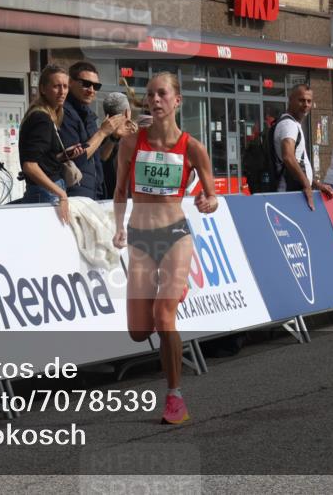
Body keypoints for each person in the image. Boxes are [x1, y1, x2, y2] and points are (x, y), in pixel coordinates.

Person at [112, 72, 218, 425]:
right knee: (139, 331)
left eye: (162, 94)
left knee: (163, 315)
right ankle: (171, 293)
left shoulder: (192, 147)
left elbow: (212, 194)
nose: (155, 100)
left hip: (175, 235)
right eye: (150, 94)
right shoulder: (132, 142)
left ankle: (175, 398)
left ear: (177, 101)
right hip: (141, 239)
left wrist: (208, 201)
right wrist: (117, 228)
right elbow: (120, 192)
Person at [18, 65, 86, 224]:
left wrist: (62, 156)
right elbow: (30, 165)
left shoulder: (45, 115)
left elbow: (39, 159)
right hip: (46, 193)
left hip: (45, 191)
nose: (62, 91)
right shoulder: (42, 118)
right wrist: (61, 195)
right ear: (43, 88)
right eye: (56, 86)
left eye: (65, 86)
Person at [60, 62, 131, 200]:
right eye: (86, 84)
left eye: (96, 86)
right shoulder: (64, 113)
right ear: (71, 83)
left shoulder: (89, 116)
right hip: (75, 196)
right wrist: (102, 133)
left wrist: (114, 137)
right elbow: (77, 160)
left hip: (95, 193)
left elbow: (100, 157)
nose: (91, 90)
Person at [272, 84, 333, 210]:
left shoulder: (292, 124)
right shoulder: (288, 125)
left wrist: (315, 184)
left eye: (309, 101)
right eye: (301, 100)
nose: (306, 104)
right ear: (290, 100)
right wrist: (307, 185)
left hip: (296, 192)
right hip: (292, 194)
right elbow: (288, 157)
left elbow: (298, 161)